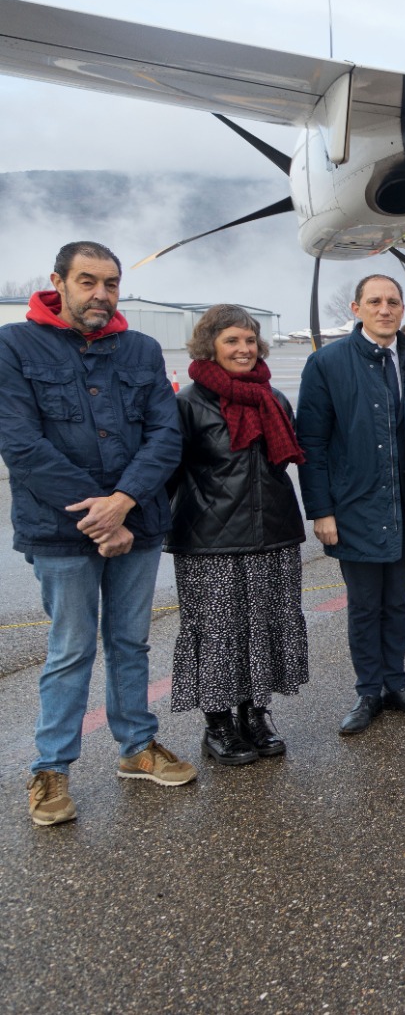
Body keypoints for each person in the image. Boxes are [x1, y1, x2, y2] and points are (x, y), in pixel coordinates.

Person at [0, 242, 195, 826]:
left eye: (110, 283)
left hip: (137, 523)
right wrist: (97, 514)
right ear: (58, 281)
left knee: (131, 643)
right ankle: (51, 769)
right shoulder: (14, 346)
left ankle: (137, 748)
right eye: (88, 282)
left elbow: (166, 436)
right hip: (59, 530)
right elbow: (21, 444)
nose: (101, 294)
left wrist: (124, 503)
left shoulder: (140, 348)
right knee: (70, 649)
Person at [298, 274, 405, 736]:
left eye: (393, 302)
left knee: (396, 601)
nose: (385, 309)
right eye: (375, 301)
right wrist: (321, 510)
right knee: (364, 603)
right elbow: (312, 442)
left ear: (403, 310)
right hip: (356, 505)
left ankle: (396, 684)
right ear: (357, 308)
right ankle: (368, 691)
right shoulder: (327, 363)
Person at [167, 304, 310, 765]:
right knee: (218, 634)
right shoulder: (189, 402)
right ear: (210, 344)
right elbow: (169, 472)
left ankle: (254, 714)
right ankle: (218, 725)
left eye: (250, 341)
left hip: (273, 533)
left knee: (263, 628)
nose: (244, 349)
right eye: (232, 341)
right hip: (211, 541)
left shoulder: (274, 398)